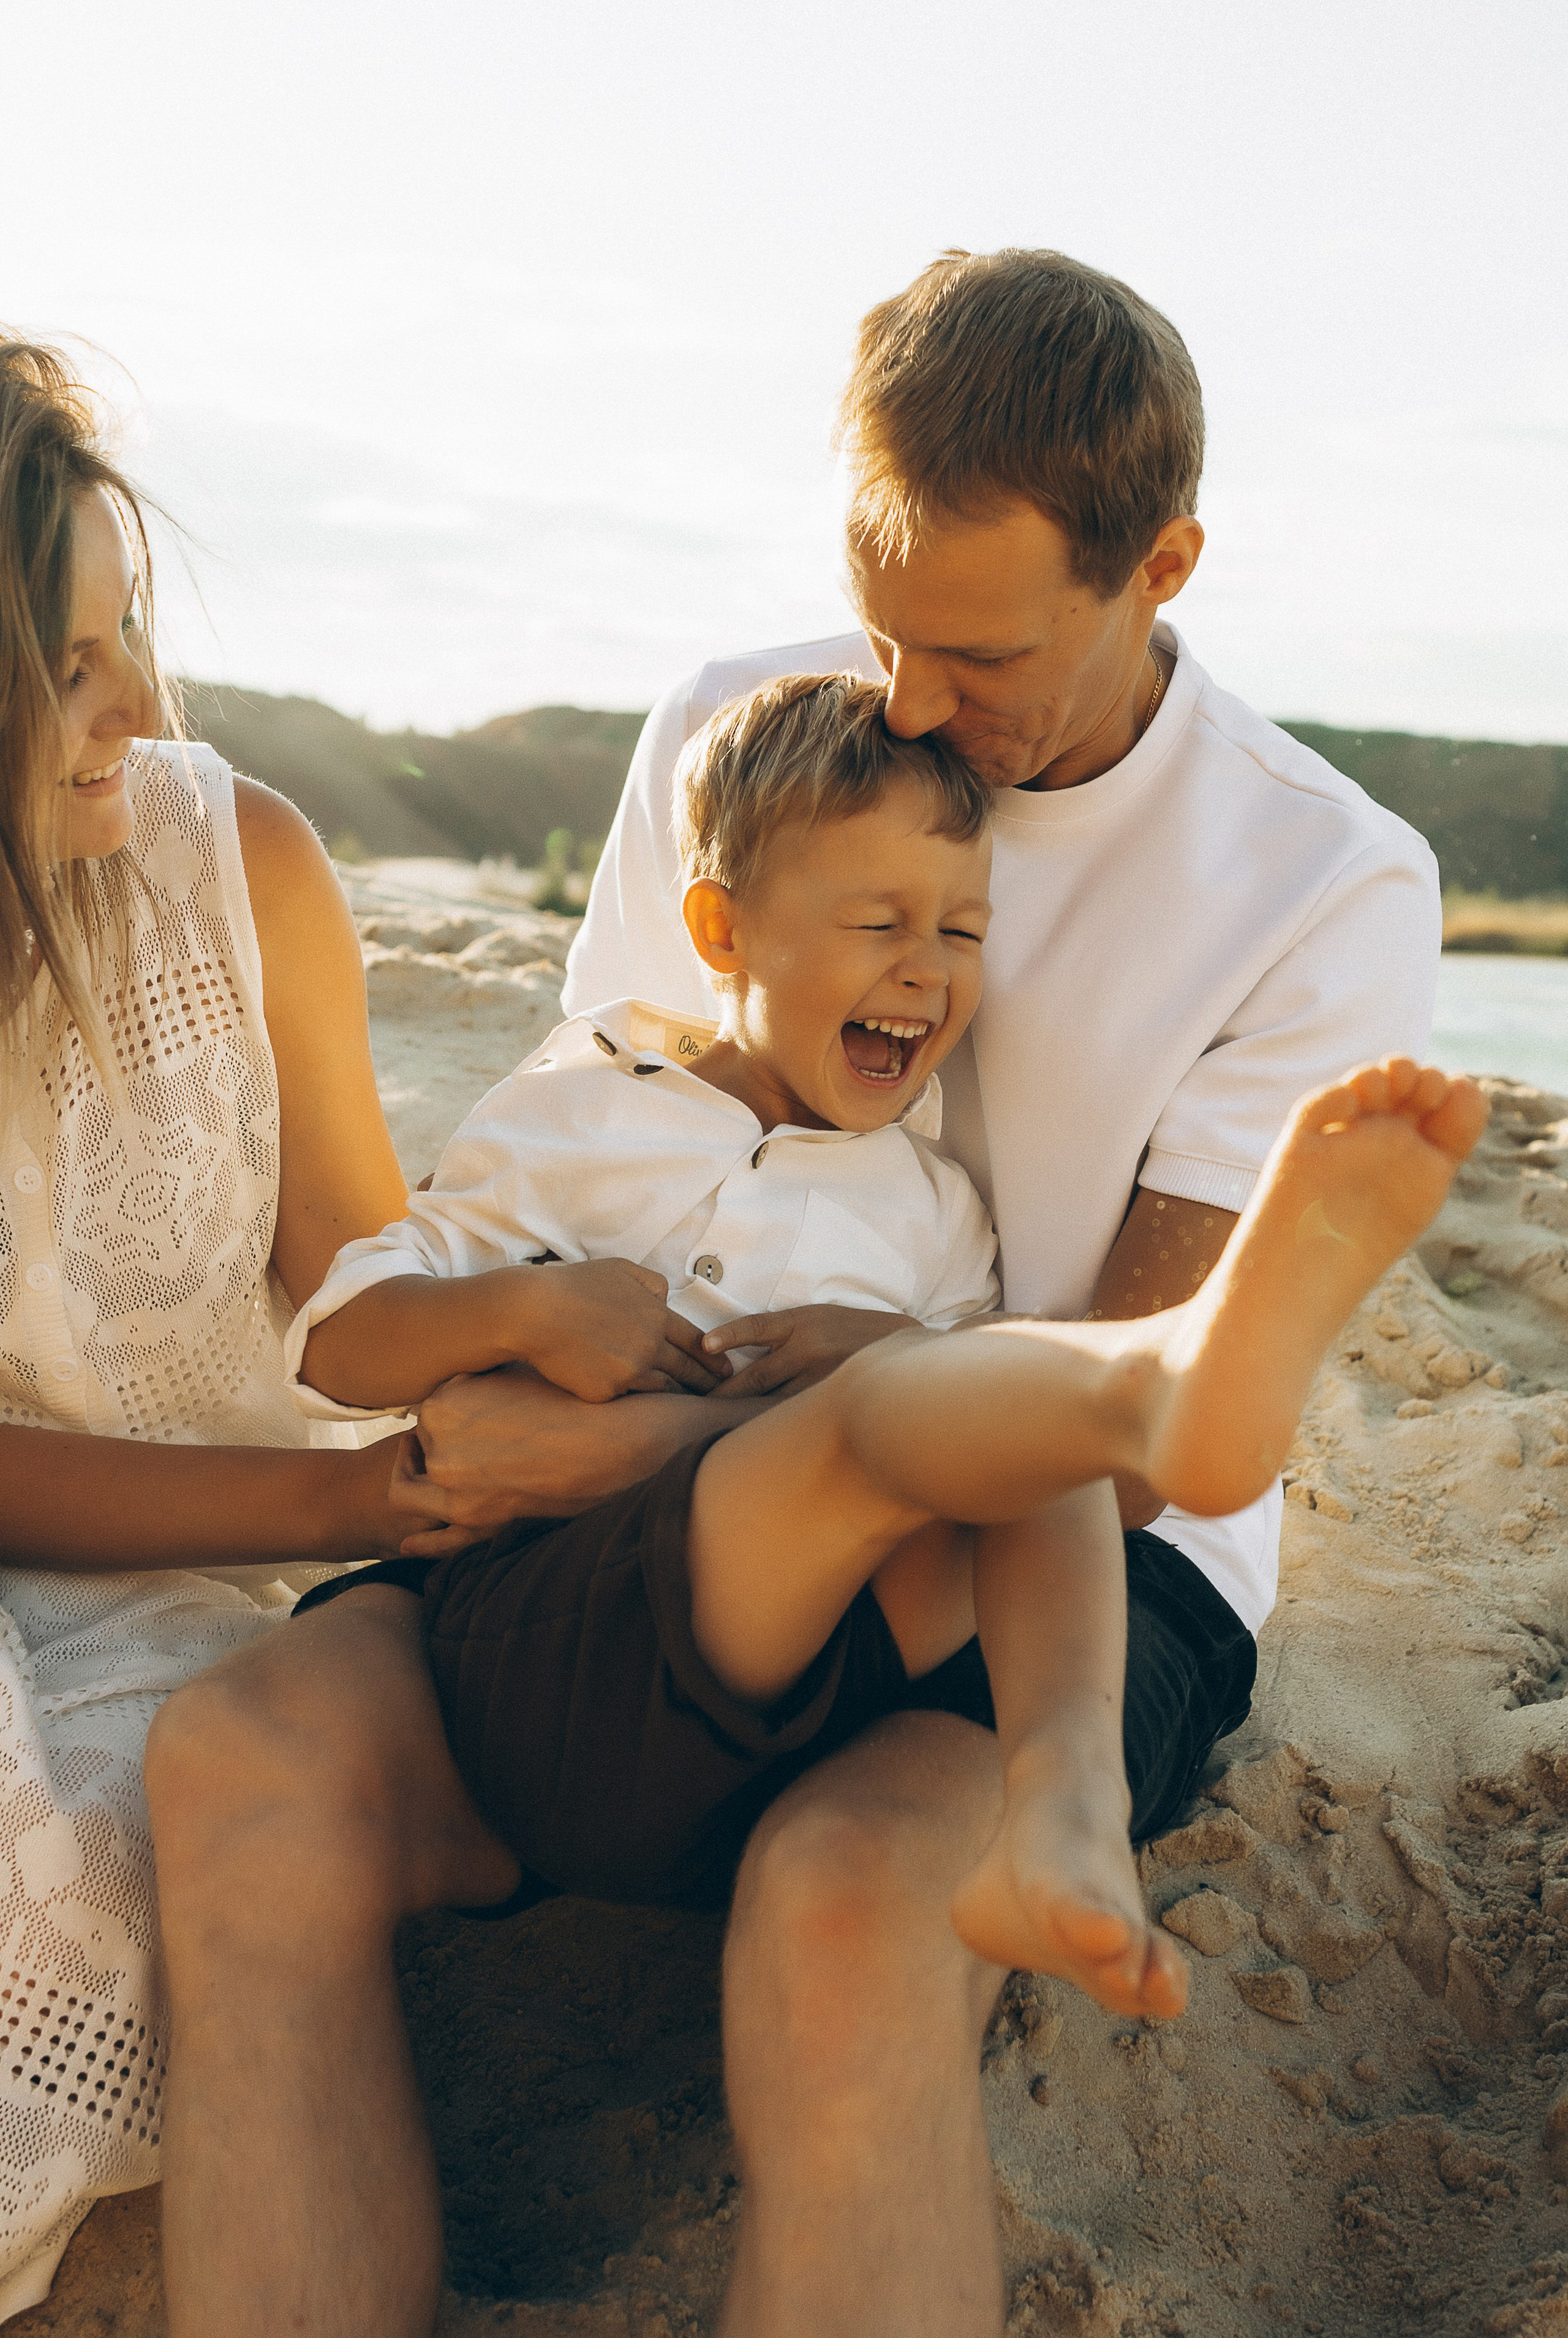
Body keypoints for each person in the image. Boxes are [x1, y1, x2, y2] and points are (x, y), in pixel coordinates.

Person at [145, 248, 1443, 2338]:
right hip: (656, 1528)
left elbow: (1093, 1459)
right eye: (884, 621)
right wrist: (531, 1388)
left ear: (1165, 566)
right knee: (250, 1764)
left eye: (983, 651)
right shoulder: (741, 733)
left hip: (1045, 1548)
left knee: (841, 1908)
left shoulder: (1321, 881)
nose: (914, 701)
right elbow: (629, 1152)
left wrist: (639, 1435)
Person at [281, 672, 1480, 2016]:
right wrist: (520, 1308)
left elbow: (1006, 1515)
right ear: (719, 930)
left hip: (810, 1684)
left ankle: (1067, 1797)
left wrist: (904, 1349)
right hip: (553, 1642)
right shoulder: (584, 1104)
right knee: (976, 1401)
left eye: (963, 932)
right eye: (878, 922)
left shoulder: (927, 1208)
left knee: (1016, 1432)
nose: (927, 967)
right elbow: (343, 1342)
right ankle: (1152, 1388)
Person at [0, 338, 418, 2317]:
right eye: (73, 663)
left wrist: (498, 1399)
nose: (141, 705)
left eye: (132, 633)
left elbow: (362, 1280)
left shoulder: (234, 862)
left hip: (240, 1564)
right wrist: (380, 1512)